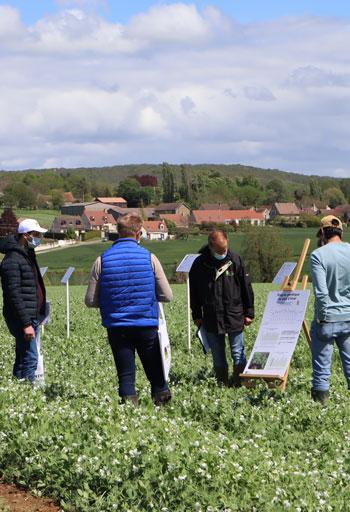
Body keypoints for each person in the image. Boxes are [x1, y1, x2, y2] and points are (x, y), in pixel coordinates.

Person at [85, 213, 173, 406]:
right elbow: (167, 295)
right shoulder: (150, 258)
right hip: (146, 324)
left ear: (118, 233)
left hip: (117, 326)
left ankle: (129, 409)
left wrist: (111, 303)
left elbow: (90, 300)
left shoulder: (102, 260)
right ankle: (163, 407)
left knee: (125, 374)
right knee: (155, 370)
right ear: (138, 232)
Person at [189, 229, 254, 386]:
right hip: (211, 316)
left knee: (238, 351)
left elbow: (246, 288)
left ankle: (239, 383)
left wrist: (249, 312)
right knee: (218, 354)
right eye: (219, 251)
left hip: (234, 313)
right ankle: (222, 383)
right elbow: (194, 292)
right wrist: (197, 315)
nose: (223, 253)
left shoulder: (236, 260)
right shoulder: (199, 264)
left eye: (225, 249)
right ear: (211, 247)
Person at [0, 219, 47, 383]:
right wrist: (26, 324)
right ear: (26, 235)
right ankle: (27, 393)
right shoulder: (12, 259)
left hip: (29, 315)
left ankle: (17, 388)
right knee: (31, 357)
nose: (39, 237)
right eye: (37, 234)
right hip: (21, 318)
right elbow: (14, 294)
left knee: (22, 356)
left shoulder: (26, 255)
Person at [310, 215, 350, 404]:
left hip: (328, 318)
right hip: (349, 317)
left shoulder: (319, 255)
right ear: (341, 231)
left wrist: (323, 318)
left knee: (322, 366)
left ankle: (321, 405)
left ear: (323, 232)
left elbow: (321, 292)